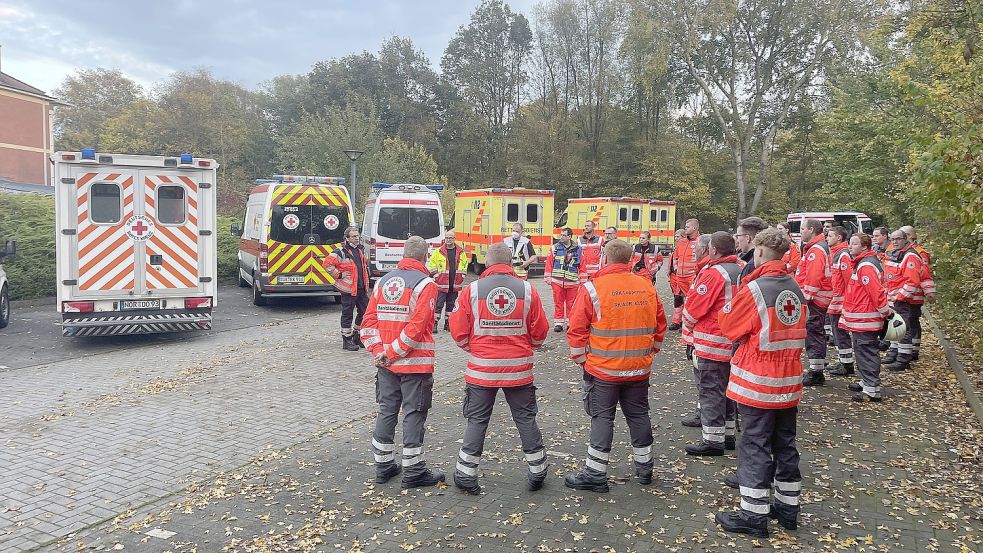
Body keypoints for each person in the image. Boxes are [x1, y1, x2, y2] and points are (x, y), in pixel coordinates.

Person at [715, 228, 806, 538]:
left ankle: (753, 517)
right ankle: (788, 508)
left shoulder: (755, 290)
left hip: (757, 382)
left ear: (761, 253)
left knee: (754, 445)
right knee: (785, 444)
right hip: (789, 381)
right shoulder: (795, 287)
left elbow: (729, 327)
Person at [564, 239, 667, 492]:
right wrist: (649, 352)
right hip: (639, 368)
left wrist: (582, 361)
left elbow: (576, 329)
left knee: (602, 418)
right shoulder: (646, 286)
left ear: (606, 258)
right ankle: (645, 469)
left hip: (604, 370)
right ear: (630, 259)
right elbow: (660, 324)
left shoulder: (593, 288)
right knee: (639, 415)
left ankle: (595, 474)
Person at [448, 243, 550, 494]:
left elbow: (458, 330)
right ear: (511, 262)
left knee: (477, 420)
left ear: (487, 263)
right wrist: (528, 347)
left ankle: (466, 474)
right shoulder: (527, 289)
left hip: (482, 370)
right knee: (526, 419)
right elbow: (540, 331)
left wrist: (473, 349)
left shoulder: (472, 290)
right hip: (520, 370)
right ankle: (537, 471)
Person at [359, 236, 444, 489]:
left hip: (385, 364)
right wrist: (393, 352)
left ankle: (383, 467)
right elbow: (417, 327)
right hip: (413, 365)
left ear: (402, 255)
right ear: (425, 256)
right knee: (414, 413)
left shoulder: (383, 281)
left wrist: (379, 351)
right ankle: (414, 470)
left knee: (387, 410)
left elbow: (367, 324)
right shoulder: (426, 284)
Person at [681, 232, 742, 455]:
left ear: (713, 250)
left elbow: (694, 308)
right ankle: (726, 436)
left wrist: (687, 327)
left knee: (710, 391)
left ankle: (712, 440)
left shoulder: (714, 274)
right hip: (734, 342)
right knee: (727, 391)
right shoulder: (742, 268)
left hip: (712, 342)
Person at [839, 233, 890, 402]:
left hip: (866, 320)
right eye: (850, 243)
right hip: (862, 319)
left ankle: (872, 390)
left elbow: (876, 293)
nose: (850, 246)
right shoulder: (864, 263)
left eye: (854, 244)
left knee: (866, 352)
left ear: (864, 247)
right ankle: (867, 382)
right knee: (862, 351)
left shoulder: (866, 266)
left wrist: (886, 313)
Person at [883, 229, 935, 371]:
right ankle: (896, 354)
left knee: (903, 328)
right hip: (894, 298)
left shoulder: (910, 256)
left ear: (906, 239)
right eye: (892, 239)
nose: (894, 242)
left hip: (902, 299)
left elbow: (912, 281)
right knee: (896, 327)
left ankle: (903, 360)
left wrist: (900, 298)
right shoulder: (897, 254)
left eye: (898, 239)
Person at [795, 219, 833, 386]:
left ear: (811, 230)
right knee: (815, 333)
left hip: (815, 300)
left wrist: (806, 298)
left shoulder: (816, 250)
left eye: (803, 229)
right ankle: (816, 368)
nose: (801, 232)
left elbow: (813, 277)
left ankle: (816, 372)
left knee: (814, 333)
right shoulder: (818, 248)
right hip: (818, 298)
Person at [680, 234, 712, 428]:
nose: (694, 253)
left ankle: (706, 419)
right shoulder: (711, 270)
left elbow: (694, 308)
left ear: (706, 250)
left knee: (706, 383)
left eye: (696, 250)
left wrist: (688, 331)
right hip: (711, 338)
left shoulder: (710, 273)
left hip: (707, 339)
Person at [322, 226, 371, 351]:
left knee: (365, 312)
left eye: (357, 235)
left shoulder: (360, 250)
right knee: (347, 314)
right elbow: (327, 264)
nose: (357, 238)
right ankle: (346, 339)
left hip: (360, 288)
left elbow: (363, 265)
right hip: (348, 289)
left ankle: (357, 335)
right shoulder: (341, 251)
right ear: (347, 238)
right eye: (354, 236)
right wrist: (339, 275)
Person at [826, 226, 855, 376]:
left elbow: (849, 280)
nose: (827, 238)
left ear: (838, 238)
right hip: (836, 301)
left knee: (841, 333)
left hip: (841, 303)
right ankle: (843, 361)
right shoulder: (837, 254)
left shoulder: (843, 255)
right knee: (837, 333)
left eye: (830, 236)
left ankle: (847, 364)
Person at [428, 230, 470, 332]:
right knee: (438, 305)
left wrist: (462, 276)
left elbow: (465, 264)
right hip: (441, 283)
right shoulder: (438, 251)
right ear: (444, 239)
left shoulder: (460, 252)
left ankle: (448, 323)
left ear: (454, 239)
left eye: (451, 238)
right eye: (447, 238)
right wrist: (437, 276)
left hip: (454, 283)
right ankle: (435, 324)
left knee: (451, 304)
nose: (448, 240)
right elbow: (432, 264)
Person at [546, 227, 581, 332]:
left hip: (573, 281)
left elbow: (582, 264)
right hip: (557, 280)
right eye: (561, 235)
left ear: (570, 236)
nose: (561, 237)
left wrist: (583, 281)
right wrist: (548, 277)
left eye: (564, 235)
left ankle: (570, 322)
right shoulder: (555, 248)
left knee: (572, 303)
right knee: (558, 302)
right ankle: (558, 323)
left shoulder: (578, 249)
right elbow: (549, 263)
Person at [668, 219, 700, 330]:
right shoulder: (681, 242)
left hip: (692, 277)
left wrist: (696, 273)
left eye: (687, 227)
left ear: (694, 228)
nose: (685, 228)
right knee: (678, 299)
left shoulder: (700, 242)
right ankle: (676, 321)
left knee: (691, 300)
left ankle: (687, 323)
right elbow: (675, 257)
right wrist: (676, 269)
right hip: (679, 277)